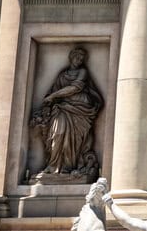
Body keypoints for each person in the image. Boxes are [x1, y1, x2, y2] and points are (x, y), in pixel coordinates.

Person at [35, 47, 104, 178]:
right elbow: (53, 91)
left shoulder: (83, 72)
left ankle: (68, 166)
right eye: (77, 57)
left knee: (73, 140)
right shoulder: (62, 75)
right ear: (71, 57)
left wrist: (53, 96)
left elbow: (75, 88)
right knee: (57, 134)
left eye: (82, 58)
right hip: (62, 108)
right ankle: (53, 165)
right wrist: (49, 101)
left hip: (80, 110)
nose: (79, 60)